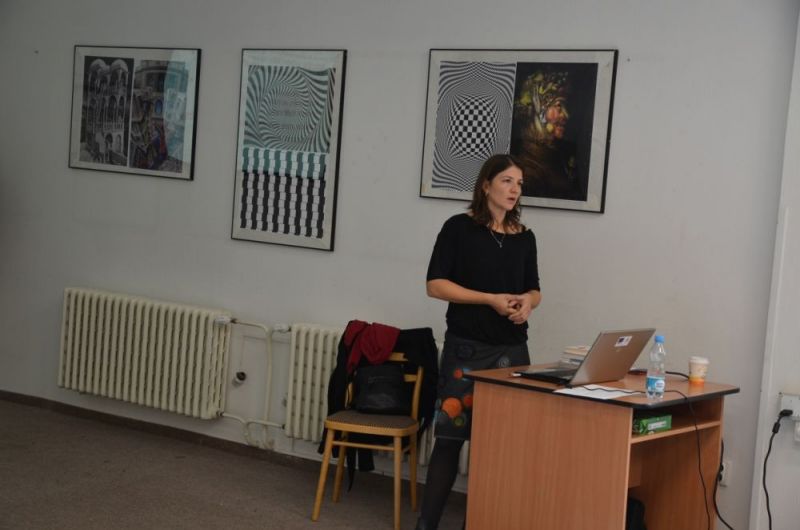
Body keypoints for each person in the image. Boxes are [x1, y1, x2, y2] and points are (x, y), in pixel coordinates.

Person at [416, 153, 541, 529]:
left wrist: (527, 304)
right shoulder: (458, 228)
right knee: (450, 439)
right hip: (467, 349)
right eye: (507, 181)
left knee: (502, 445)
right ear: (486, 185)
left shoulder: (525, 237)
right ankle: (427, 524)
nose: (514, 190)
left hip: (512, 352)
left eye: (519, 184)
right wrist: (489, 299)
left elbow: (534, 289)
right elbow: (435, 285)